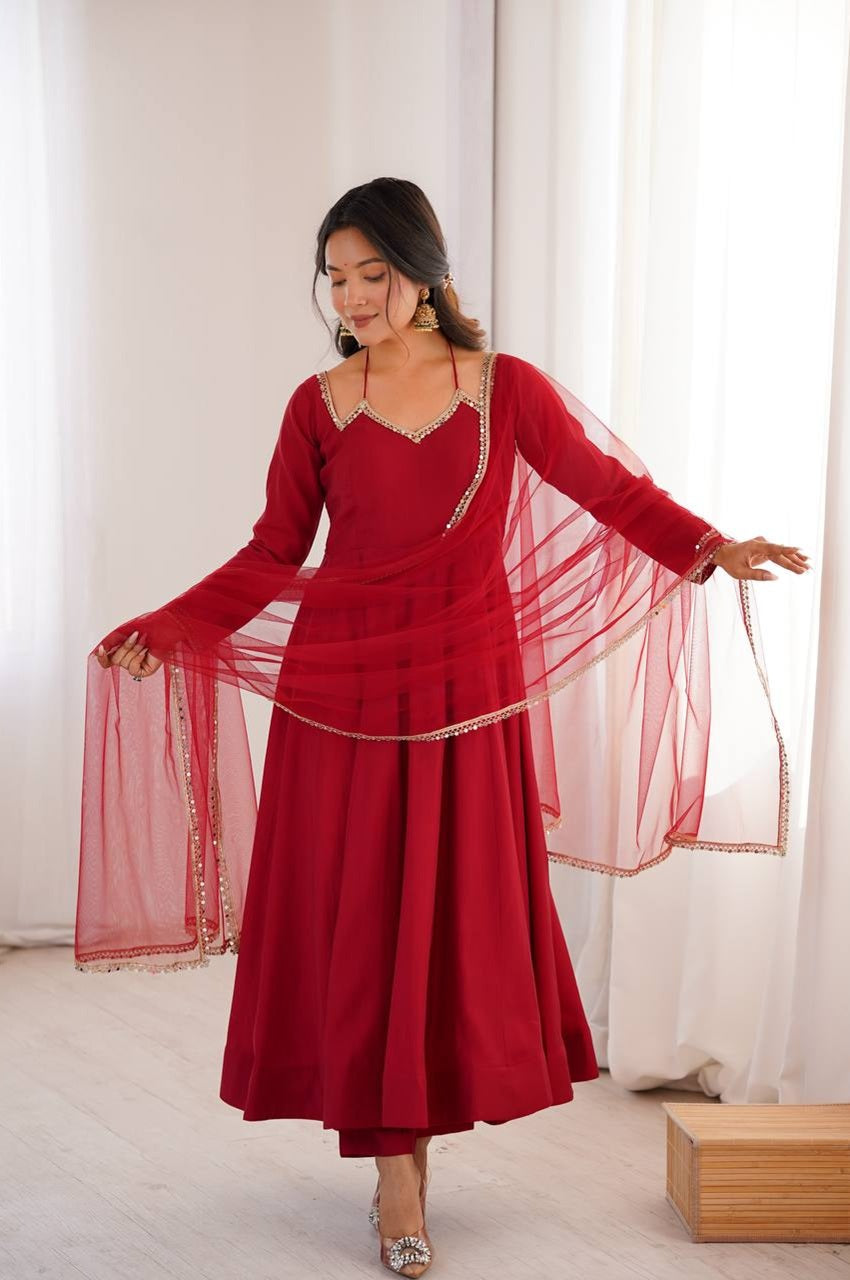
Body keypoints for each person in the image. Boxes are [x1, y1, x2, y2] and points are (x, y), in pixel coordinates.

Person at [86, 177, 810, 1277]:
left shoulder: (505, 389)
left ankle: (413, 1154)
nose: (352, 296)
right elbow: (273, 551)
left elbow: (608, 491)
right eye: (336, 276)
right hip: (343, 698)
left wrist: (709, 545)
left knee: (442, 922)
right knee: (364, 920)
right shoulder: (319, 403)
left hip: (467, 695)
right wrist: (173, 624)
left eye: (372, 273)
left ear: (423, 273)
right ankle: (395, 1175)